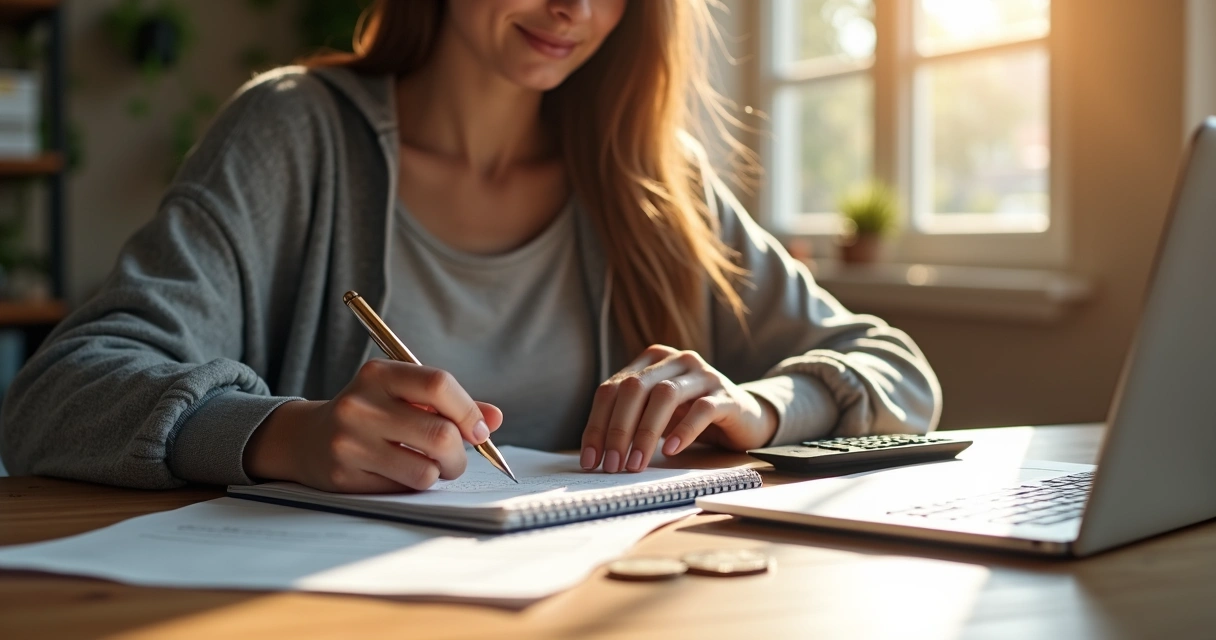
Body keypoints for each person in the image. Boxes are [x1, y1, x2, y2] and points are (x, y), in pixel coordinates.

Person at [0, 0, 941, 492]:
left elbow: (896, 370)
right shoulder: (292, 134)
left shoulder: (653, 178)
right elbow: (58, 394)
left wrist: (762, 405)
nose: (573, 6)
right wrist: (284, 435)